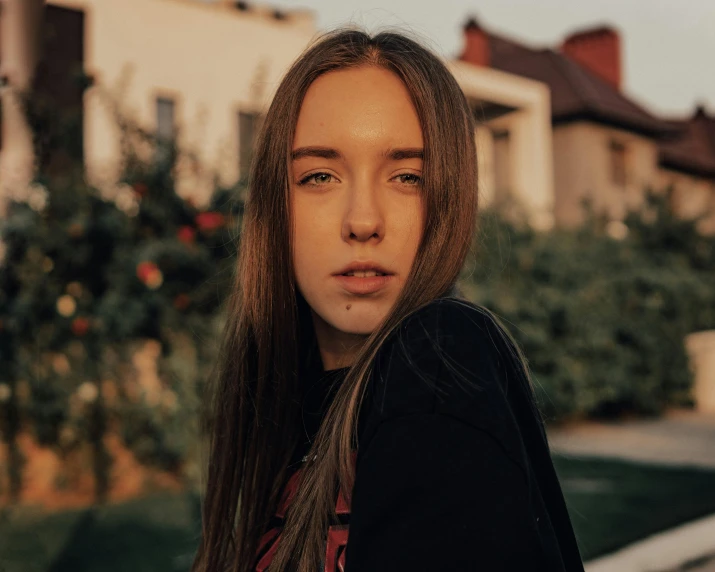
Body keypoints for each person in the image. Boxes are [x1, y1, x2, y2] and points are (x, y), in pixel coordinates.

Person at [191, 27, 585, 572]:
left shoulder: (439, 360)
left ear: (448, 198)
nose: (363, 221)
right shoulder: (292, 411)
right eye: (320, 175)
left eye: (406, 176)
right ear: (276, 207)